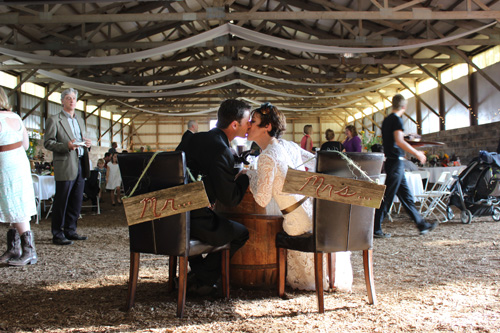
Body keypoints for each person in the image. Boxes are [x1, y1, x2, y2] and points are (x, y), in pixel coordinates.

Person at [246, 103, 353, 291]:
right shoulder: (288, 145)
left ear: (267, 127)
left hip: (297, 221)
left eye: (252, 122)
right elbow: (316, 163)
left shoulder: (266, 157)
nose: (248, 125)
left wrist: (250, 175)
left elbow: (262, 200)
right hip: (313, 213)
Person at [183, 99, 251, 296]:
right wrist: (245, 177)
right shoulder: (221, 150)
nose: (249, 125)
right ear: (235, 124)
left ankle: (197, 275)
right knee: (240, 233)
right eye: (247, 121)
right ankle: (202, 279)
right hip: (194, 220)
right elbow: (230, 199)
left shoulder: (192, 139)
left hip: (172, 216)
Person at [374, 94, 438, 238]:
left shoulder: (386, 120)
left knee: (406, 196)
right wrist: (417, 153)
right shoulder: (397, 120)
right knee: (388, 197)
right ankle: (375, 228)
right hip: (395, 162)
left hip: (393, 162)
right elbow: (399, 141)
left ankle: (421, 225)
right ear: (404, 107)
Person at [44, 88, 91, 246]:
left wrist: (87, 145)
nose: (72, 101)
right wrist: (66, 146)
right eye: (69, 98)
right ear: (62, 101)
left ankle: (71, 230)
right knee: (61, 200)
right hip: (65, 163)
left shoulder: (80, 120)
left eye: (74, 98)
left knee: (76, 200)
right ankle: (57, 233)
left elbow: (81, 140)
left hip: (80, 163)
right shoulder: (54, 119)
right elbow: (48, 142)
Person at [0, 87, 38, 266]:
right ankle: (15, 248)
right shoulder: (16, 117)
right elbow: (24, 144)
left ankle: (29, 251)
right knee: (14, 202)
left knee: (13, 202)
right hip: (19, 162)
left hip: (6, 164)